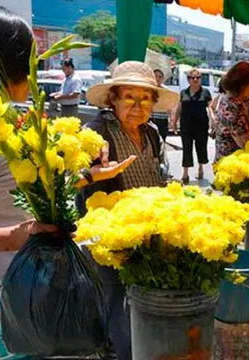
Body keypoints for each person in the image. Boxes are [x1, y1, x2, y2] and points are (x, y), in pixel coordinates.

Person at [0, 7, 129, 359]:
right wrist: (10, 237)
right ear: (9, 64)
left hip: (54, 304)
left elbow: (23, 193)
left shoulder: (13, 117)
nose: (37, 72)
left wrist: (87, 175)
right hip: (8, 314)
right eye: (32, 61)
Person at [78, 60, 179, 360]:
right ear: (113, 99)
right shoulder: (96, 134)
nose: (138, 106)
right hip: (110, 240)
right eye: (129, 97)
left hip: (148, 237)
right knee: (117, 307)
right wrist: (93, 171)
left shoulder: (151, 134)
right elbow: (71, 178)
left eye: (145, 98)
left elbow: (159, 176)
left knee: (142, 305)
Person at [171, 69, 212, 183]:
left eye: (198, 77)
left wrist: (214, 122)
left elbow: (210, 108)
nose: (195, 80)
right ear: (188, 79)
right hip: (186, 124)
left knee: (201, 146)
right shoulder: (184, 92)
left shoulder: (206, 92)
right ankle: (185, 173)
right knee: (186, 147)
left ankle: (200, 169)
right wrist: (174, 122)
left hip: (201, 124)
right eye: (192, 77)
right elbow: (179, 107)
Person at [214, 62, 249, 162]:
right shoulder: (233, 107)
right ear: (243, 85)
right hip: (233, 167)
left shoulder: (226, 99)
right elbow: (246, 144)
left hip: (225, 162)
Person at [149, 69, 171, 141]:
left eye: (160, 77)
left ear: (163, 79)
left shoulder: (167, 90)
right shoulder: (148, 89)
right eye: (156, 76)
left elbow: (169, 105)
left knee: (162, 141)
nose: (158, 78)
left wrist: (171, 119)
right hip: (150, 119)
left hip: (162, 120)